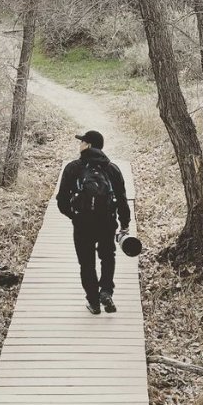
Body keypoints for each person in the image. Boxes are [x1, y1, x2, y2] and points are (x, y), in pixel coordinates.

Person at [56, 130, 131, 314]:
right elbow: (122, 199)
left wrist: (74, 216)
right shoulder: (111, 169)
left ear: (88, 145)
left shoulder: (73, 168)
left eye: (82, 142)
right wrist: (124, 223)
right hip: (107, 222)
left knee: (87, 263)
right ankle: (106, 291)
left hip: (83, 224)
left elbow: (61, 201)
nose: (79, 145)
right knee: (107, 257)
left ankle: (94, 302)